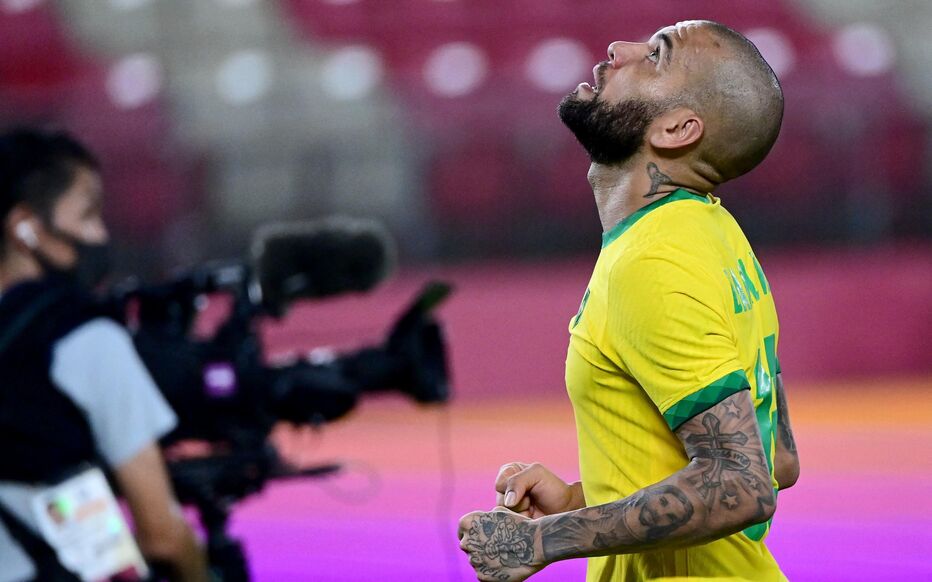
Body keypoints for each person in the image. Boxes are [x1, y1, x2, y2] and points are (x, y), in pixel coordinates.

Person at [458, 20, 800, 582]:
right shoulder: (716, 235)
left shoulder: (653, 262)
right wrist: (580, 498)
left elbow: (743, 485)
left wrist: (542, 539)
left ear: (676, 129)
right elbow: (777, 459)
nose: (620, 49)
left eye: (657, 55)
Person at [0, 128, 208, 581]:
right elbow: (163, 537)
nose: (101, 234)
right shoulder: (82, 336)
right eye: (89, 214)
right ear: (25, 228)